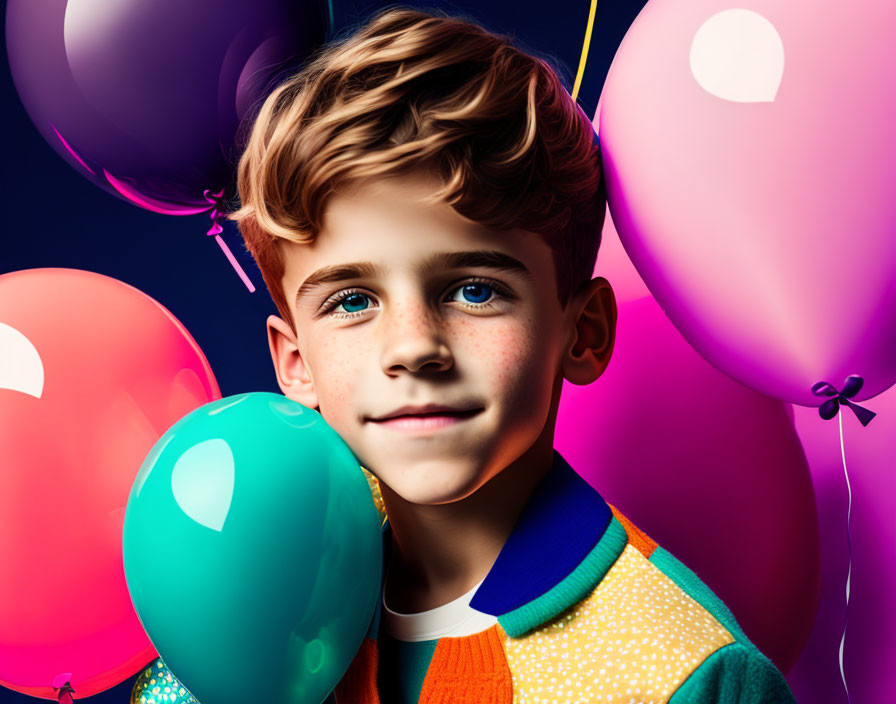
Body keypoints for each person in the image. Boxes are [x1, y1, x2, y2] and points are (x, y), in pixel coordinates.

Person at [229, 7, 797, 702]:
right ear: (295, 363)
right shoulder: (276, 583)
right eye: (352, 301)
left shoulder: (689, 674)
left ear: (582, 332)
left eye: (473, 290)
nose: (412, 347)